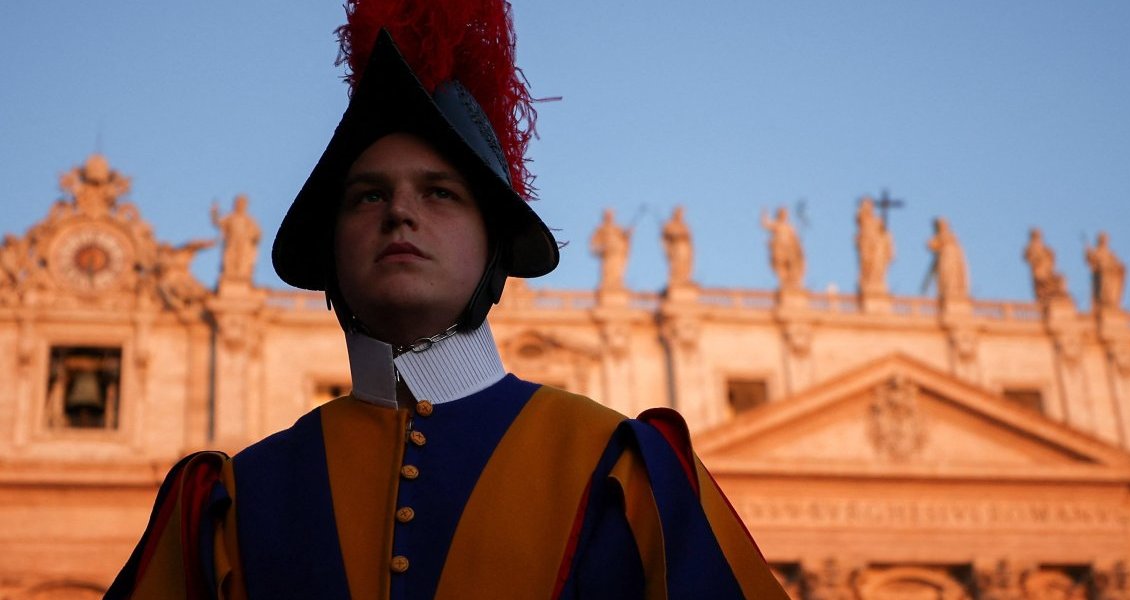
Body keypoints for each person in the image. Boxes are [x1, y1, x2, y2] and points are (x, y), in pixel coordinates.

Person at [105, 1, 786, 599]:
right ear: (331, 250)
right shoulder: (229, 507)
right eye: (368, 195)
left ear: (493, 246)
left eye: (439, 193)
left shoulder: (623, 470)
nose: (399, 212)